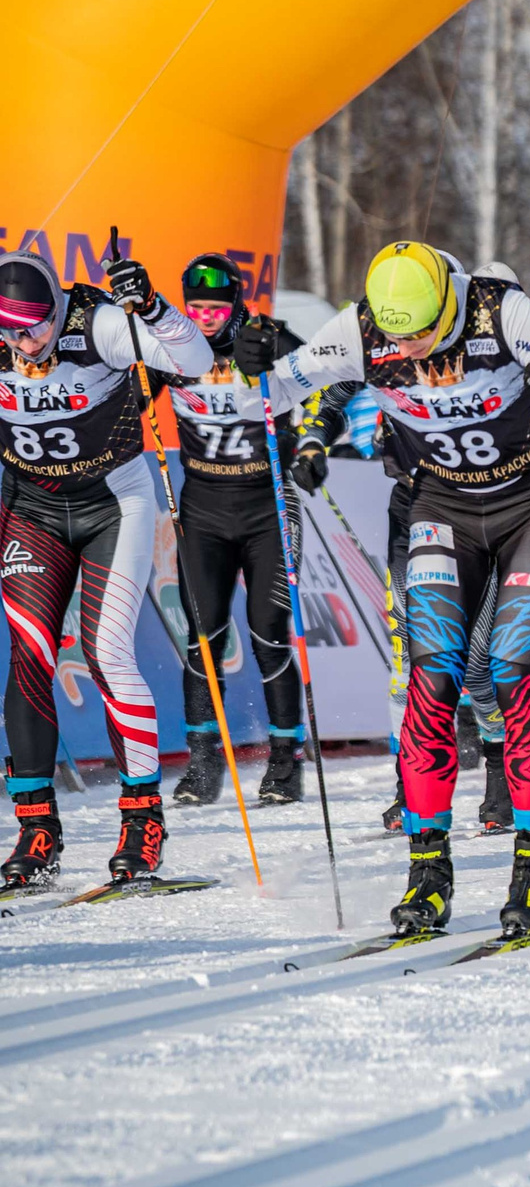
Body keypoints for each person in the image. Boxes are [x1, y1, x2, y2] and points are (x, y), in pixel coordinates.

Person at [239, 242, 530, 937]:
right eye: (397, 337)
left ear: (449, 304)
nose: (408, 348)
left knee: (511, 667)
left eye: (420, 333)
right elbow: (269, 392)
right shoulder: (362, 328)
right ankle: (427, 872)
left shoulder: (501, 309)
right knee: (432, 676)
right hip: (438, 508)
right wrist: (249, 362)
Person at [0, 249, 212, 889]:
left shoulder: (97, 323)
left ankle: (143, 817)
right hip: (31, 507)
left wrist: (152, 309)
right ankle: (36, 829)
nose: (24, 343)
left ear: (55, 310)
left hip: (113, 502)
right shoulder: (5, 339)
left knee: (106, 652)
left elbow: (195, 361)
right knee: (30, 652)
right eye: (9, 333)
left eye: (34, 328)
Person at [163, 254, 314, 807]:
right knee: (202, 636)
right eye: (195, 306)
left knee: (268, 629)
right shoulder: (173, 346)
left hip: (268, 506)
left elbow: (331, 386)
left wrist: (312, 438)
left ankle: (284, 762)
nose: (205, 316)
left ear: (236, 302)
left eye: (216, 306)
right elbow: (122, 391)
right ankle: (203, 765)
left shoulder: (267, 339)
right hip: (203, 509)